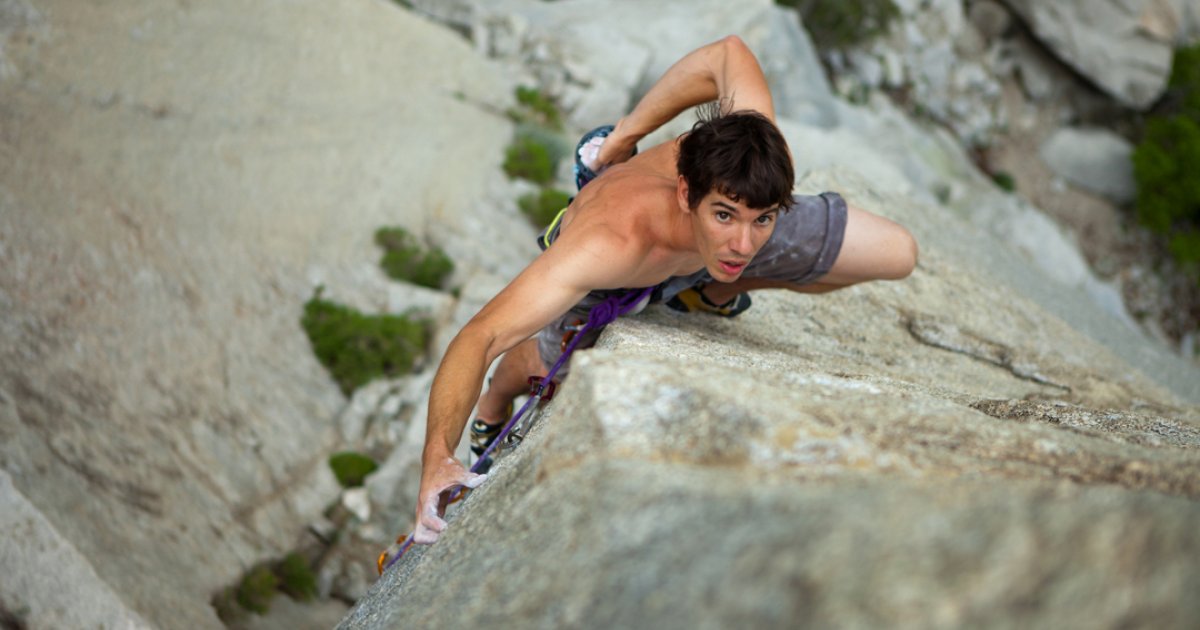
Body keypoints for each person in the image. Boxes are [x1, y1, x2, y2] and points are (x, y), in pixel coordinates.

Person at [412, 36, 917, 545]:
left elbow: (728, 53)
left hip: (700, 247)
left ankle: (708, 291)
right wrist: (437, 457)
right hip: (632, 267)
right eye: (725, 215)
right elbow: (480, 334)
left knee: (897, 254)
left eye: (763, 219)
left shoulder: (752, 161)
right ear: (685, 193)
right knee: (543, 363)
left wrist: (740, 216)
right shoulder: (607, 244)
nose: (743, 243)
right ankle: (493, 407)